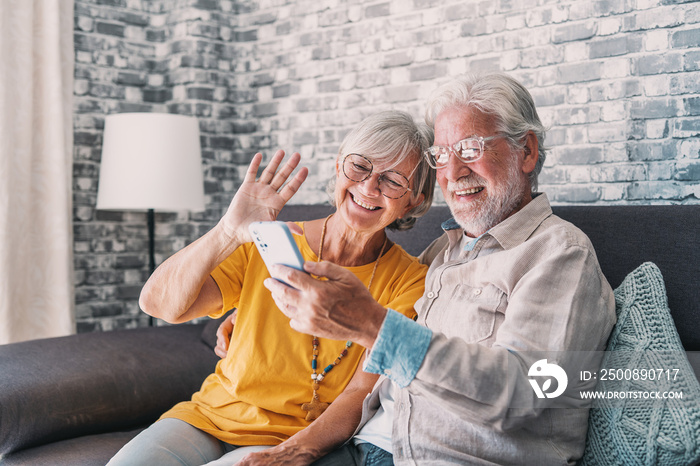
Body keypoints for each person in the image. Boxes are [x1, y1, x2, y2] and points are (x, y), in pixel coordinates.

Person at [263, 73, 617, 465]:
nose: (452, 173)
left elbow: (522, 395)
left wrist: (374, 326)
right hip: (364, 444)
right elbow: (359, 325)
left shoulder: (559, 254)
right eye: (442, 155)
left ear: (527, 152)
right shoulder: (440, 253)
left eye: (469, 149)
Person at [107, 110, 436, 466]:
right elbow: (159, 305)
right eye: (360, 166)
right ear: (339, 165)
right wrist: (227, 232)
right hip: (206, 418)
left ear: (414, 200)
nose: (369, 187)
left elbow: (361, 391)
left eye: (391, 180)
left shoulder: (411, 280)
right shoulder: (270, 238)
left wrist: (294, 452)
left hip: (293, 437)